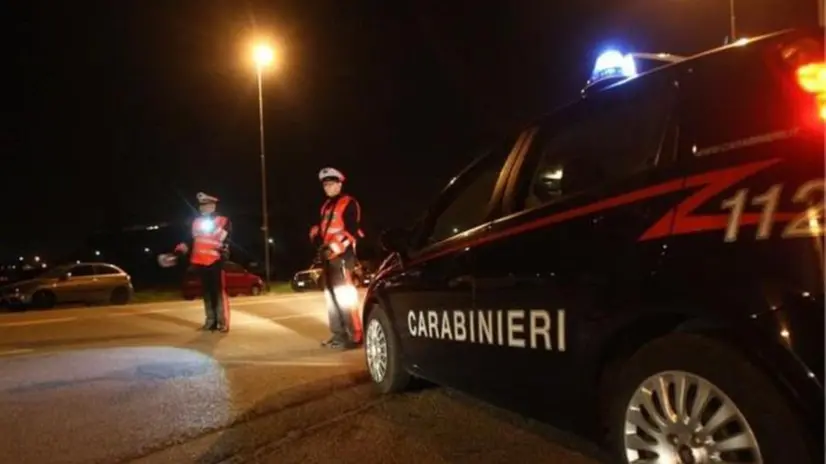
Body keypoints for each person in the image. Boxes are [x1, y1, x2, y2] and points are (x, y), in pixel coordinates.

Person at [310, 167, 365, 349]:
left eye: (331, 184)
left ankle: (354, 336)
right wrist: (317, 240)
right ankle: (338, 334)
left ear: (340, 184)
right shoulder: (325, 206)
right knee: (331, 297)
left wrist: (334, 248)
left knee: (344, 297)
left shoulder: (349, 203)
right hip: (327, 257)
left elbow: (351, 231)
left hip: (342, 256)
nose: (328, 187)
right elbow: (322, 230)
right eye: (325, 184)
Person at [174, 192, 233, 332]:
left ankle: (222, 322)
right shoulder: (196, 222)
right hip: (200, 261)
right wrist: (180, 249)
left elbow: (226, 238)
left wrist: (224, 249)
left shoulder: (222, 220)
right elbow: (190, 239)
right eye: (201, 206)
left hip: (215, 260)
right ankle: (210, 321)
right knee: (207, 292)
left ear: (213, 206)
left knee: (218, 293)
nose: (202, 208)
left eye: (205, 205)